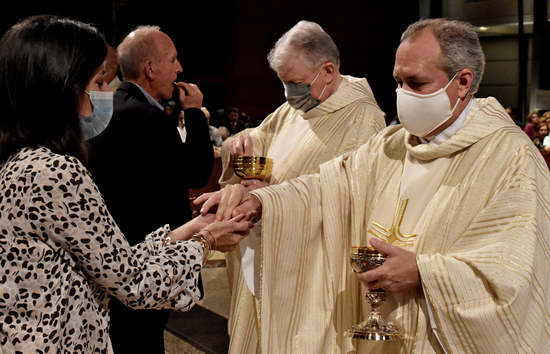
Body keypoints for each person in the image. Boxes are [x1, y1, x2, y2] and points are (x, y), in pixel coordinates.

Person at [197, 18, 550, 353]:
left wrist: (424, 274)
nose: (403, 94)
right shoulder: (393, 144)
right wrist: (261, 201)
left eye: (416, 83)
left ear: (463, 82)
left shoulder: (511, 158)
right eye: (398, 82)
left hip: (436, 335)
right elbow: (327, 187)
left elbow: (515, 272)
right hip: (374, 330)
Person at [0, 15, 254, 354]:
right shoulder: (55, 171)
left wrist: (186, 231)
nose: (108, 93)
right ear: (62, 87)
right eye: (100, 81)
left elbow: (108, 258)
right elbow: (133, 282)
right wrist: (206, 241)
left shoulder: (20, 159)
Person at [217, 20, 385, 353]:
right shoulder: (295, 108)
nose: (289, 93)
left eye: (295, 83)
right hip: (268, 243)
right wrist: (240, 147)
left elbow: (347, 190)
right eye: (283, 82)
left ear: (327, 70)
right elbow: (258, 136)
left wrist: (272, 198)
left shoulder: (362, 118)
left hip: (312, 262)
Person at [87, 25, 215, 354]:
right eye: (172, 60)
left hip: (112, 260)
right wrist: (195, 113)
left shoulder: (111, 108)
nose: (179, 69)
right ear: (150, 68)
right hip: (143, 264)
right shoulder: (147, 117)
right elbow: (197, 172)